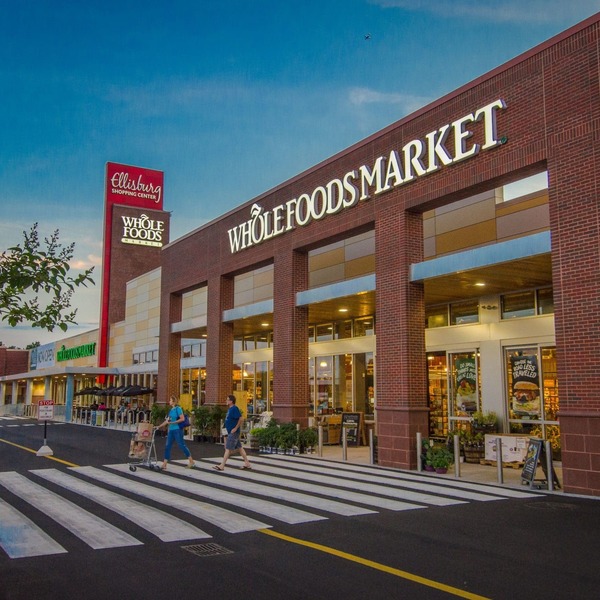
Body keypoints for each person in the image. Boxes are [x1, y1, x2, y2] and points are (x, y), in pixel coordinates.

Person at [213, 394, 252, 471]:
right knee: (240, 448)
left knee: (227, 449)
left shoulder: (234, 409)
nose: (226, 401)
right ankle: (247, 463)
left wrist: (235, 428)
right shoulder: (230, 409)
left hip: (233, 432)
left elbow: (241, 418)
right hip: (229, 431)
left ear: (231, 401)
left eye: (227, 400)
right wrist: (225, 434)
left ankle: (222, 465)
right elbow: (227, 422)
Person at [159, 395, 195, 470]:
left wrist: (173, 422)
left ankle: (191, 461)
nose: (169, 401)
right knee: (167, 446)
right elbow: (167, 421)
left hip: (177, 429)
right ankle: (164, 464)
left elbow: (182, 419)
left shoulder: (178, 409)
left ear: (174, 401)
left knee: (181, 445)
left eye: (170, 400)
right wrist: (159, 426)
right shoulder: (171, 410)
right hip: (171, 430)